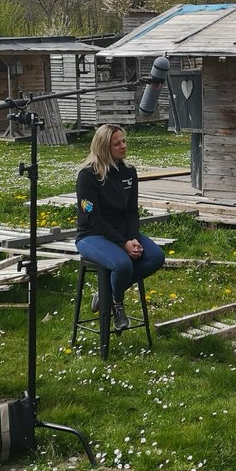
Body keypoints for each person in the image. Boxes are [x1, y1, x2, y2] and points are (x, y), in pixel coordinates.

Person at [75, 124, 165, 331]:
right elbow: (92, 218)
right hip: (92, 235)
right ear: (104, 147)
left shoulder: (129, 172)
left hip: (124, 233)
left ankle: (105, 291)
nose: (123, 146)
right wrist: (123, 243)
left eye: (124, 141)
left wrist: (132, 238)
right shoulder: (87, 176)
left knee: (155, 257)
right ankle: (117, 303)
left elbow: (132, 211)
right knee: (122, 265)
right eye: (117, 143)